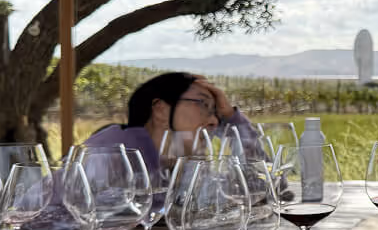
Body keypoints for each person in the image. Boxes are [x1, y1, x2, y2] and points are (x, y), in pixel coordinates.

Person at [84, 72, 257, 172]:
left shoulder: (189, 164)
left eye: (217, 113)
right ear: (161, 110)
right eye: (203, 104)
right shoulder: (108, 152)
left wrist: (230, 116)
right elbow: (79, 213)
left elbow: (262, 187)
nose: (214, 121)